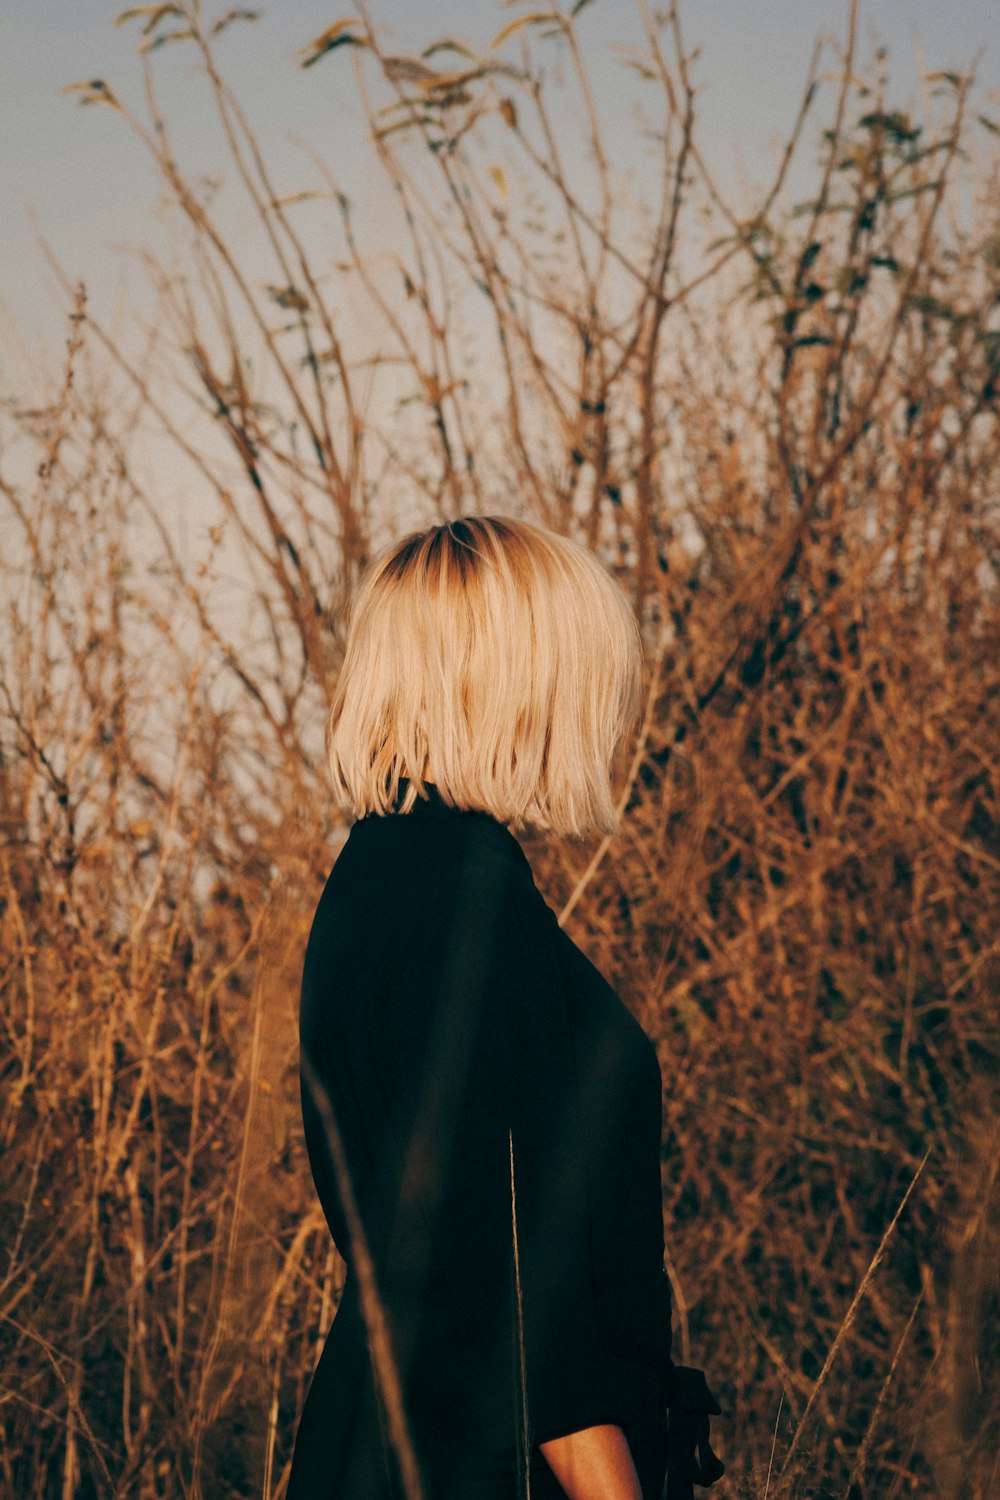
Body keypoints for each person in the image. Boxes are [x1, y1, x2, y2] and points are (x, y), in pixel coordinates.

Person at [287, 516, 723, 1500]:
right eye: (584, 664)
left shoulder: (381, 873)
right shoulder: (462, 899)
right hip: (484, 1465)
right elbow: (508, 1272)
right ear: (513, 677)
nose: (605, 700)